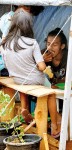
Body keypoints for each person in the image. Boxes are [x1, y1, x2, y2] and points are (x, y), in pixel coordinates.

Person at [1, 9, 60, 138]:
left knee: (23, 82)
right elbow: (42, 66)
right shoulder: (32, 43)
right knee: (51, 93)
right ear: (28, 25)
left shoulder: (4, 43)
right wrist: (41, 64)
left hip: (17, 79)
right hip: (34, 79)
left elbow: (7, 63)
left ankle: (24, 108)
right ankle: (55, 127)